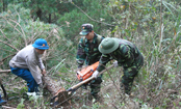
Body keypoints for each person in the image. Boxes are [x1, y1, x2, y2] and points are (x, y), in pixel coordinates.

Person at [76, 23, 104, 99]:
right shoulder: (83, 41)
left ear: (92, 32)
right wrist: (79, 67)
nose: (86, 36)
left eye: (87, 34)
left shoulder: (100, 40)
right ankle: (86, 97)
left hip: (99, 62)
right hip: (89, 61)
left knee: (96, 79)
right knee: (84, 78)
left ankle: (96, 98)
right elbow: (80, 53)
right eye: (84, 34)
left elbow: (107, 53)